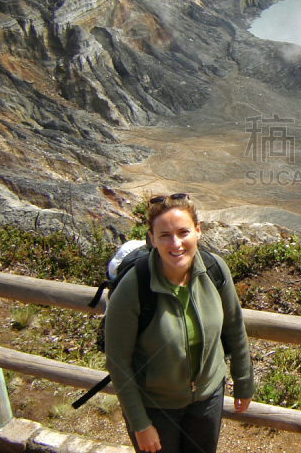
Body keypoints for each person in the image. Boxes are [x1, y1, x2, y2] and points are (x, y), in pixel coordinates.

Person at [105, 193, 254, 453]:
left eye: (183, 232)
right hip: (155, 406)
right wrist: (140, 424)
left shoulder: (214, 270)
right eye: (164, 235)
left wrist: (244, 380)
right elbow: (118, 361)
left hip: (207, 399)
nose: (176, 243)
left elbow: (234, 326)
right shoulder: (135, 285)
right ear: (151, 239)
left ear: (197, 231)